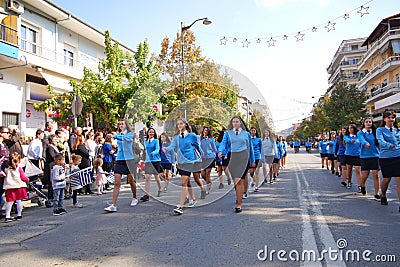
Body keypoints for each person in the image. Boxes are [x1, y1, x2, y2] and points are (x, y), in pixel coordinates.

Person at [162, 118, 201, 215]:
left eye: (181, 124)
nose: (179, 126)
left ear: (185, 125)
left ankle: (180, 206)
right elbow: (172, 147)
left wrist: (202, 160)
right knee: (186, 182)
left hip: (189, 161)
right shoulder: (176, 137)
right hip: (180, 161)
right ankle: (193, 199)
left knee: (183, 182)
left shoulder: (192, 136)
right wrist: (166, 149)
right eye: (178, 124)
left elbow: (197, 147)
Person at [218, 115, 255, 213]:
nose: (235, 123)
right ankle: (239, 196)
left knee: (239, 181)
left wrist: (252, 160)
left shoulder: (246, 134)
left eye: (237, 121)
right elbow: (223, 144)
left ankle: (239, 204)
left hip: (243, 157)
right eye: (233, 122)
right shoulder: (228, 134)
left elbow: (250, 147)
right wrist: (220, 151)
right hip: (232, 157)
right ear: (232, 123)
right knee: (236, 181)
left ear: (240, 123)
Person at [104, 120, 138, 212]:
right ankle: (113, 205)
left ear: (126, 125)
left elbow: (126, 139)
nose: (121, 125)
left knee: (131, 181)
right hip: (119, 159)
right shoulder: (119, 135)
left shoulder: (130, 134)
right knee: (116, 183)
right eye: (119, 124)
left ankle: (135, 197)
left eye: (122, 124)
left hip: (129, 160)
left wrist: (114, 136)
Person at [375, 111, 400, 211]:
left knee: (399, 180)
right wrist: (388, 145)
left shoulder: (397, 130)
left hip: (398, 156)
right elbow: (380, 141)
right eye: (389, 117)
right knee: (387, 179)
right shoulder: (380, 130)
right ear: (384, 119)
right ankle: (383, 194)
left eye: (393, 118)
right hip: (386, 158)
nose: (391, 120)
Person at [357, 117, 380, 199]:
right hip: (365, 156)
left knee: (376, 174)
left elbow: (379, 142)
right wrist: (365, 143)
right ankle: (362, 185)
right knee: (366, 174)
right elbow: (361, 140)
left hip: (375, 155)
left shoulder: (375, 132)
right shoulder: (361, 133)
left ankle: (377, 193)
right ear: (364, 123)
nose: (368, 123)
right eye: (366, 122)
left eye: (370, 122)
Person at [3, 153, 28, 222]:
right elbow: (23, 177)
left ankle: (7, 216)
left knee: (9, 201)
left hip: (9, 186)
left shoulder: (7, 169)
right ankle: (19, 214)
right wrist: (27, 179)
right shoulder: (19, 168)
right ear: (19, 161)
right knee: (19, 200)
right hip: (19, 186)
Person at [141, 128, 163, 201]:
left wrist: (153, 153)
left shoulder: (156, 141)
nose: (151, 133)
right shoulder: (145, 142)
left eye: (152, 132)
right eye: (150, 132)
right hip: (148, 161)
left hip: (155, 161)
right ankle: (146, 195)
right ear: (147, 133)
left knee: (157, 177)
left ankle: (160, 189)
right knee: (147, 178)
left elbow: (157, 149)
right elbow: (144, 150)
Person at [344, 124, 362, 191]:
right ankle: (349, 181)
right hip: (349, 154)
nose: (350, 129)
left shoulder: (358, 137)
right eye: (349, 128)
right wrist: (350, 141)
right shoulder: (346, 137)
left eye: (351, 128)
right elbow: (347, 140)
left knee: (358, 170)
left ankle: (360, 185)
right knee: (349, 169)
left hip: (357, 155)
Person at [43, 134, 60, 206]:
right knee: (51, 183)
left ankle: (55, 197)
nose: (56, 141)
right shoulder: (50, 147)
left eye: (57, 139)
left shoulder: (55, 147)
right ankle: (50, 198)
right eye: (55, 139)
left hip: (56, 166)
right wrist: (59, 156)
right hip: (51, 166)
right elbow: (53, 157)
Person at [200, 127, 217, 192]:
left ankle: (207, 189)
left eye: (206, 130)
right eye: (204, 130)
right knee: (202, 174)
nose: (205, 131)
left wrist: (215, 156)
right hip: (203, 158)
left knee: (207, 173)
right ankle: (209, 182)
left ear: (208, 132)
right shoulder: (200, 139)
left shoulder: (211, 139)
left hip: (210, 157)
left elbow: (214, 149)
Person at [249, 126, 264, 192]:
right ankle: (254, 180)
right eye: (252, 130)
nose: (253, 132)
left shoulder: (259, 139)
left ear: (256, 132)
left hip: (257, 156)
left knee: (257, 172)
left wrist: (262, 158)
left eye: (254, 130)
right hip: (250, 157)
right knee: (251, 172)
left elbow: (261, 149)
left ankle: (256, 186)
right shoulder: (248, 139)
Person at [0, 126, 10, 216]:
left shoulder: (4, 144)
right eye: (7, 133)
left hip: (5, 170)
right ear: (1, 133)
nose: (8, 135)